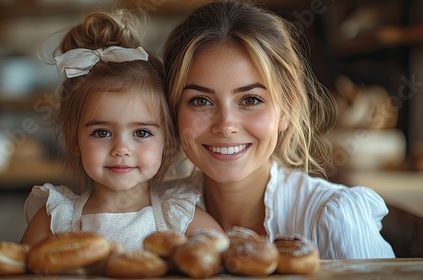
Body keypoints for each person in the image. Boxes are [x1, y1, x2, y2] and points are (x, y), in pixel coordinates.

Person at [162, 0, 395, 259]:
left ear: (287, 108)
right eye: (201, 101)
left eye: (251, 100)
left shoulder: (334, 217)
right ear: (174, 110)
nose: (226, 125)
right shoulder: (153, 212)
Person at [21, 9, 222, 249]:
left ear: (168, 141)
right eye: (102, 132)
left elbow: (225, 264)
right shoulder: (54, 221)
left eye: (141, 133)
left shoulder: (181, 221)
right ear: (73, 138)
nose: (121, 149)